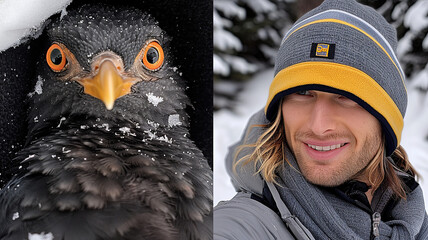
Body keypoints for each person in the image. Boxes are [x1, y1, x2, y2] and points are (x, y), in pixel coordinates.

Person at [214, 0, 428, 239]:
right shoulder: (244, 224)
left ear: (386, 119)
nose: (319, 126)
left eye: (347, 96)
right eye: (303, 93)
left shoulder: (411, 221)